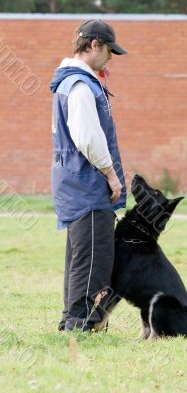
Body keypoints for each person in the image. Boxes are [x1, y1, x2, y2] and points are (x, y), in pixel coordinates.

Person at [50, 19, 127, 332]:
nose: (109, 58)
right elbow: (87, 138)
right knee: (93, 258)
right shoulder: (81, 86)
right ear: (95, 44)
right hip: (88, 186)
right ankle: (82, 324)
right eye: (109, 50)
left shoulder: (70, 84)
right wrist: (111, 175)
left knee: (80, 257)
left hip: (73, 185)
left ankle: (72, 320)